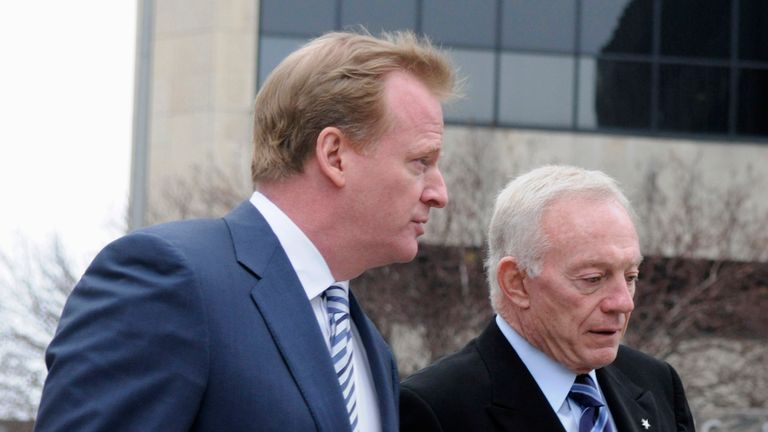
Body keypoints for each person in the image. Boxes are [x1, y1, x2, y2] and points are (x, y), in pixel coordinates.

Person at [35, 30, 456, 432]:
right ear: (334, 155)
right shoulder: (168, 279)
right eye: (420, 162)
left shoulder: (369, 348)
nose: (440, 193)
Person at [400, 165, 695, 432]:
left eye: (630, 278)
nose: (623, 303)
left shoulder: (656, 383)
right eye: (593, 279)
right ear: (516, 283)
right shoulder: (434, 410)